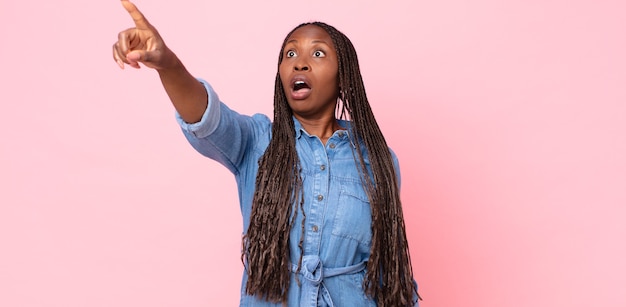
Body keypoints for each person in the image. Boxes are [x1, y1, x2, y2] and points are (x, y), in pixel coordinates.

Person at [112, 1, 420, 306]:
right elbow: (207, 120)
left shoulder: (377, 160)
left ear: (343, 77)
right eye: (290, 53)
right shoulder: (256, 141)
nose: (299, 62)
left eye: (317, 53)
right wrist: (168, 64)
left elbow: (389, 272)